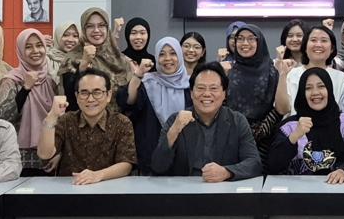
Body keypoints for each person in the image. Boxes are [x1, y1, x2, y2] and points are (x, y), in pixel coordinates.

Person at [151, 63, 263, 181]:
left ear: (224, 93)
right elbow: (157, 167)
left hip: (224, 188)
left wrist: (226, 172)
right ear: (191, 93)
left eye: (213, 88)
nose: (207, 94)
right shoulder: (176, 120)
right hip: (184, 189)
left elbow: (254, 163)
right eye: (200, 88)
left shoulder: (237, 121)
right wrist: (173, 131)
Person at [37, 69, 137, 183]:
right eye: (84, 93)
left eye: (97, 92)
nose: (90, 99)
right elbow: (44, 154)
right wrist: (51, 117)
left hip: (109, 187)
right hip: (70, 187)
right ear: (76, 96)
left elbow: (126, 164)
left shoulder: (122, 122)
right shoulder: (66, 120)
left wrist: (98, 175)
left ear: (108, 95)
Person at [268, 68, 344, 182]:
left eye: (321, 86)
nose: (315, 92)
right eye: (308, 88)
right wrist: (295, 136)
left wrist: (343, 171)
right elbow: (273, 165)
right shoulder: (290, 126)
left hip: (338, 188)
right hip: (298, 190)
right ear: (302, 93)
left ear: (329, 89)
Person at [119, 36, 189, 172]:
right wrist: (138, 75)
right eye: (162, 54)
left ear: (180, 56)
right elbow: (128, 102)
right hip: (150, 156)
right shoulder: (148, 82)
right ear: (156, 57)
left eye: (173, 53)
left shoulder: (191, 85)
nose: (167, 58)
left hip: (184, 157)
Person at [0, 28, 59, 173]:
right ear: (21, 51)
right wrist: (26, 88)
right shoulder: (11, 81)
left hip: (49, 155)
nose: (35, 51)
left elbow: (60, 118)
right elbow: (3, 117)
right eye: (28, 47)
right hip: (19, 156)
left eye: (39, 45)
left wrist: (59, 152)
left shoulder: (51, 81)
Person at [224, 25, 282, 157]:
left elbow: (279, 108)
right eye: (240, 38)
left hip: (265, 139)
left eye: (251, 38)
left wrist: (260, 131)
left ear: (259, 42)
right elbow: (222, 103)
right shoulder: (229, 71)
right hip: (231, 138)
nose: (245, 43)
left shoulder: (272, 71)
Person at [278, 25, 344, 114]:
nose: (318, 45)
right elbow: (282, 110)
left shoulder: (341, 78)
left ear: (332, 49)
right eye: (313, 40)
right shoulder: (291, 74)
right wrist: (283, 75)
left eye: (324, 40)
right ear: (305, 47)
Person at [58, 8, 132, 108]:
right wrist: (83, 65)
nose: (96, 30)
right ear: (83, 30)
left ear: (107, 28)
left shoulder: (118, 57)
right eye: (90, 26)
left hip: (118, 117)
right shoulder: (72, 59)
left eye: (101, 25)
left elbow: (129, 99)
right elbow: (70, 99)